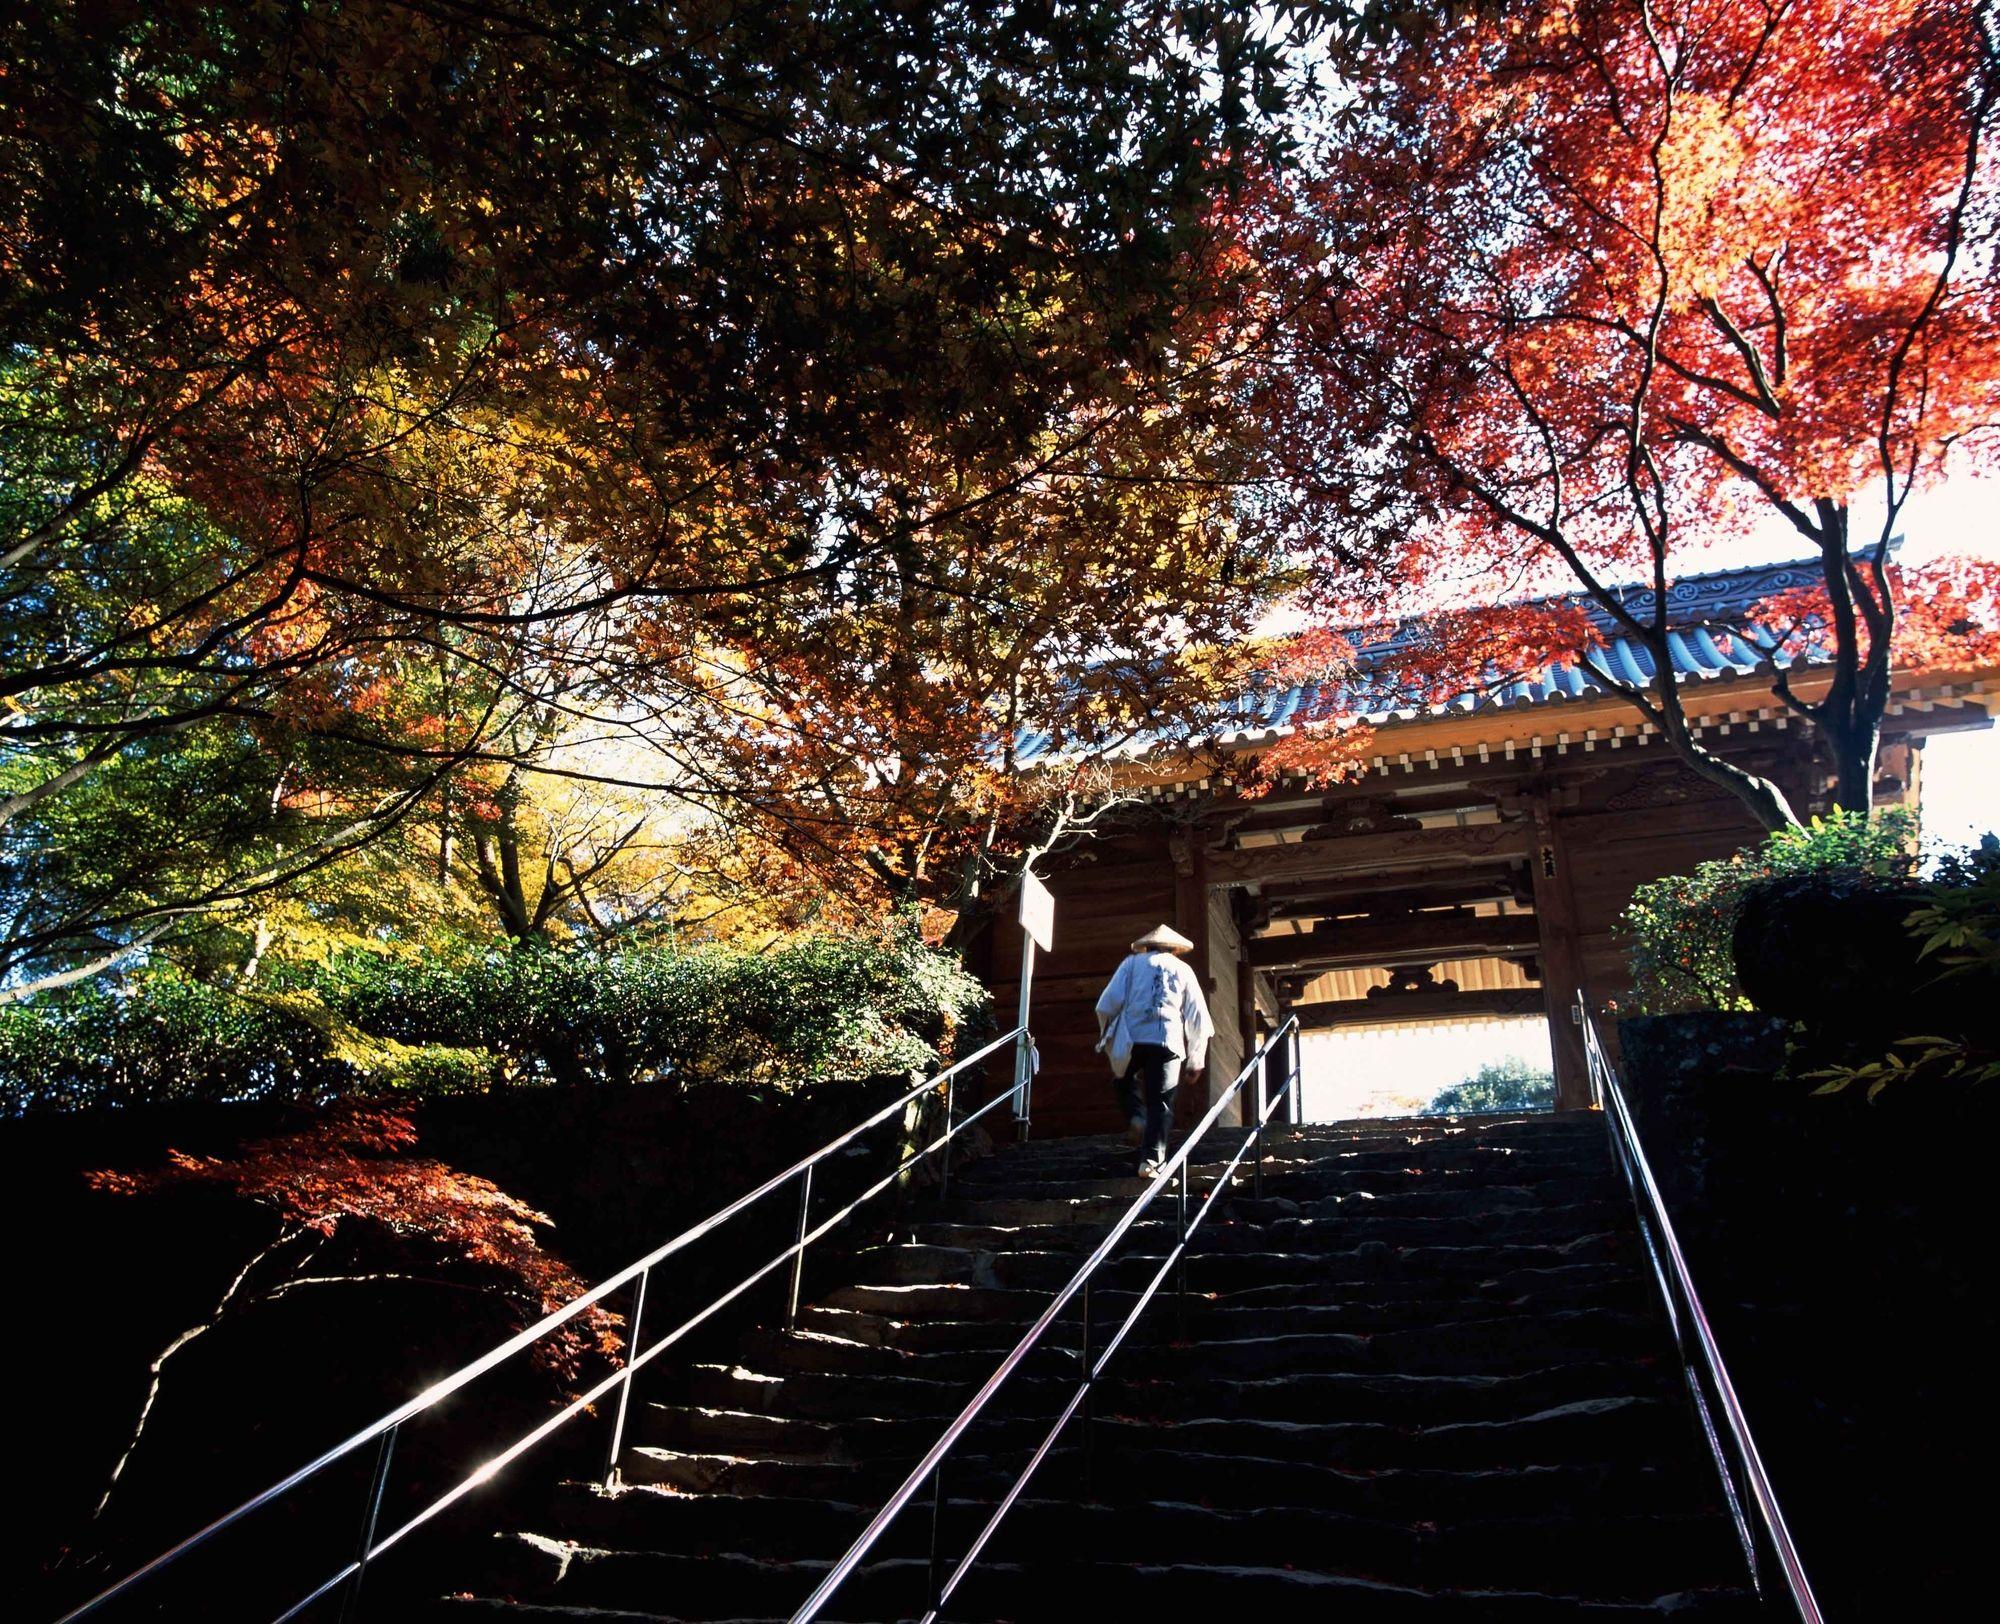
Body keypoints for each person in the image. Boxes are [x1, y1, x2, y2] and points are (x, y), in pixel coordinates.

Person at [1094, 923, 1213, 1178]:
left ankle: (1136, 1116)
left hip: (1133, 1038)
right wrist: (1196, 1059)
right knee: (1161, 1103)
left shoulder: (1131, 964)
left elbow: (1105, 1005)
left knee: (1122, 1079)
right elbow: (1198, 1017)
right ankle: (1150, 1162)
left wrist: (1110, 1036)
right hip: (1168, 1042)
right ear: (1175, 950)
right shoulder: (1183, 969)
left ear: (1147, 946)